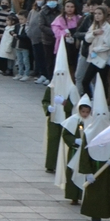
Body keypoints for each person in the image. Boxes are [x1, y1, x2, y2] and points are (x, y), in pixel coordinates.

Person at [76, 77, 110, 221]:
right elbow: (84, 155)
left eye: (104, 114)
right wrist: (87, 172)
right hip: (96, 172)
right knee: (95, 200)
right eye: (99, 114)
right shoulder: (89, 134)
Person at [42, 39, 79, 174]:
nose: (60, 77)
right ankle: (51, 164)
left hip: (66, 119)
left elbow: (76, 106)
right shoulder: (51, 87)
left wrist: (64, 103)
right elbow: (45, 100)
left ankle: (64, 164)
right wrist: (48, 108)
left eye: (62, 74)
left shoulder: (71, 89)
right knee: (52, 140)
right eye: (58, 74)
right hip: (54, 118)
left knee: (65, 141)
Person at [60, 94, 90, 205]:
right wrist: (75, 141)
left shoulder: (92, 121)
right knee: (72, 171)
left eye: (87, 112)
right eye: (83, 112)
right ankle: (73, 196)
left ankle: (83, 195)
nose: (85, 114)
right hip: (75, 150)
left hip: (87, 152)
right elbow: (66, 134)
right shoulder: (73, 120)